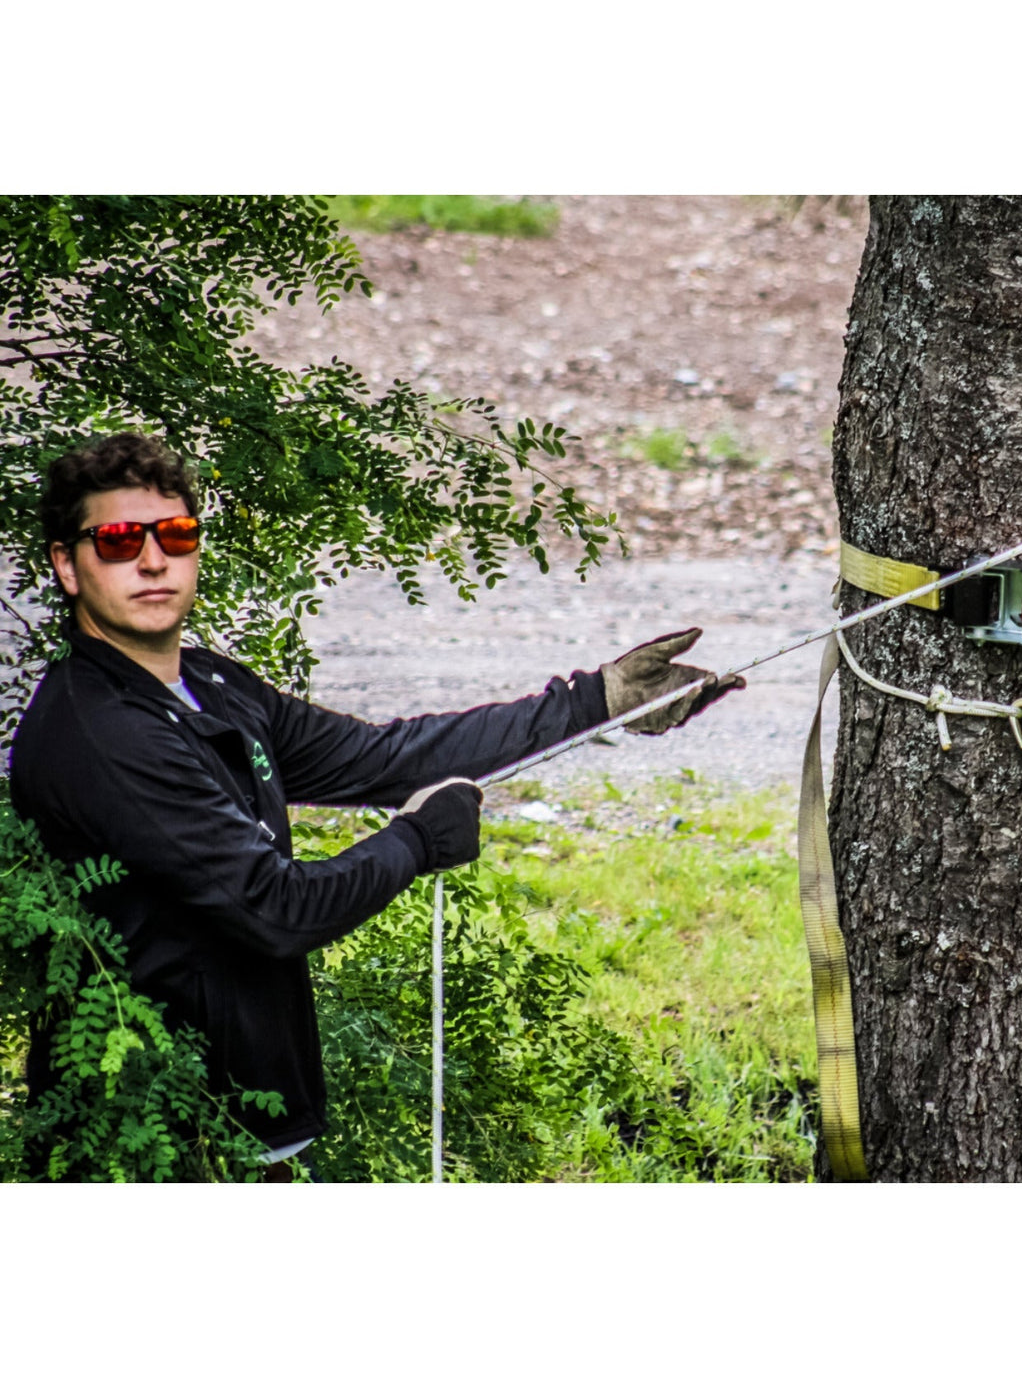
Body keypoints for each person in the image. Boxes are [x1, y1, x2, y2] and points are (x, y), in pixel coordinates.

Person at [8, 432, 743, 1179]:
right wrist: (415, 843)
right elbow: (273, 909)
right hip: (151, 1144)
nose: (154, 559)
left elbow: (386, 758)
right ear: (67, 565)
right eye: (120, 541)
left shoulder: (208, 684)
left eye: (176, 534)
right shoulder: (99, 731)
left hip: (246, 1126)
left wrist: (595, 703)